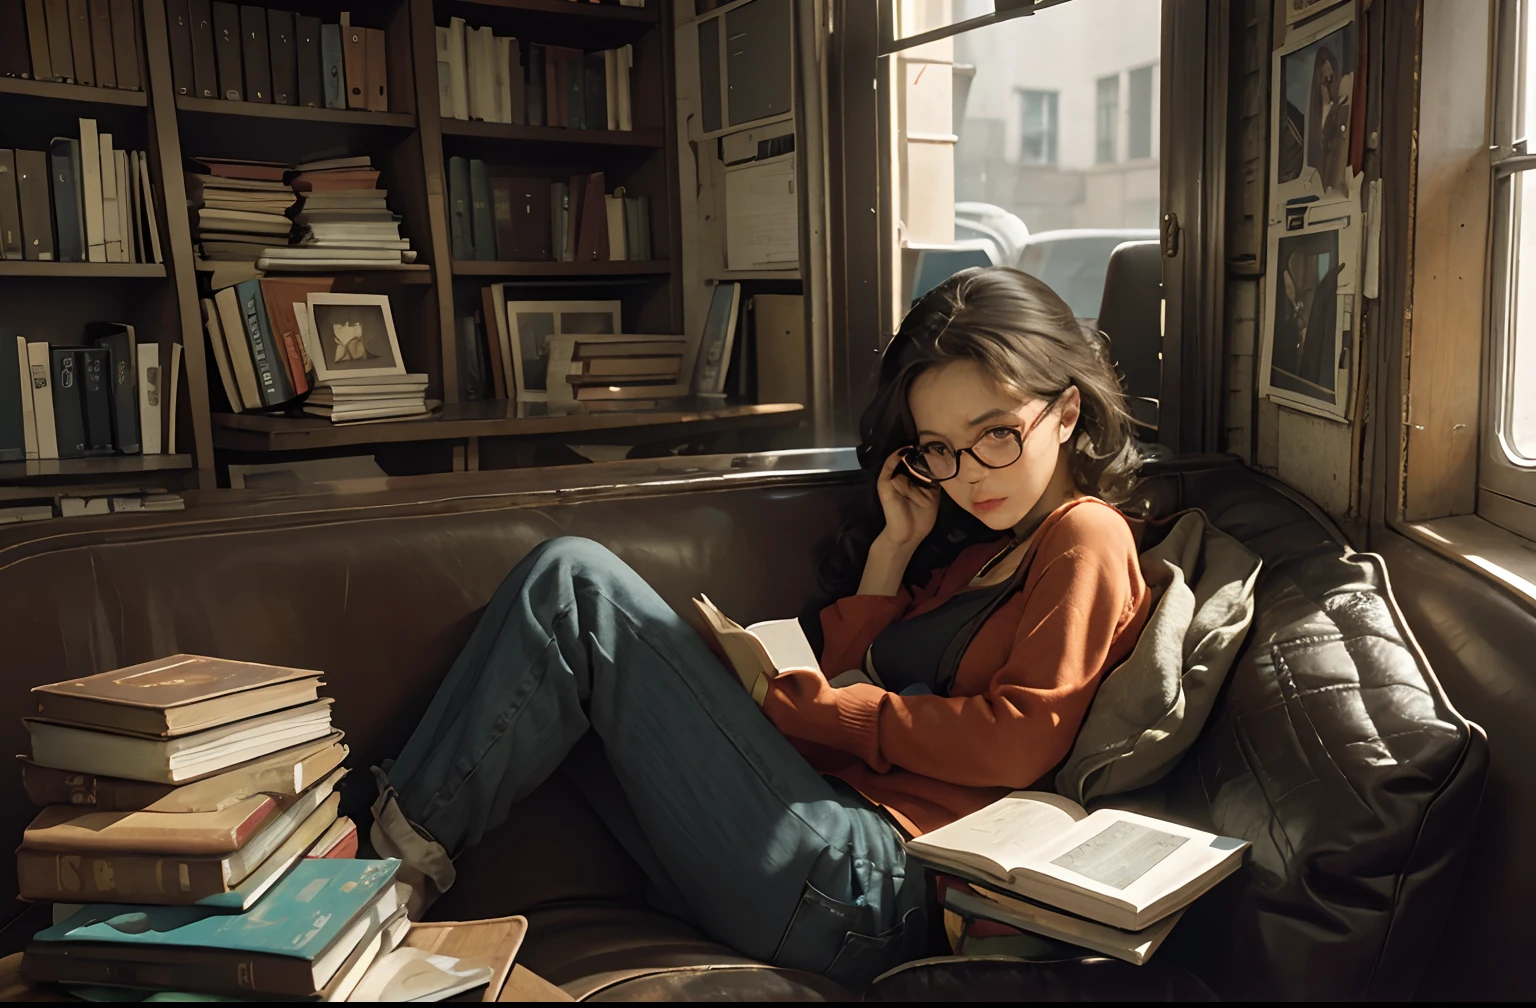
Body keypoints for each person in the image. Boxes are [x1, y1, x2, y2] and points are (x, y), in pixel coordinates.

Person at [365, 266, 1153, 989]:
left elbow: (1024, 734)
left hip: (872, 887)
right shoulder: (975, 555)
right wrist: (893, 553)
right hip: (816, 834)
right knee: (572, 636)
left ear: (1067, 411)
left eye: (996, 434)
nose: (971, 473)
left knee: (578, 589)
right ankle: (376, 882)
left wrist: (819, 707)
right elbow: (832, 720)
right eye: (940, 450)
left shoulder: (1085, 536)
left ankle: (368, 886)